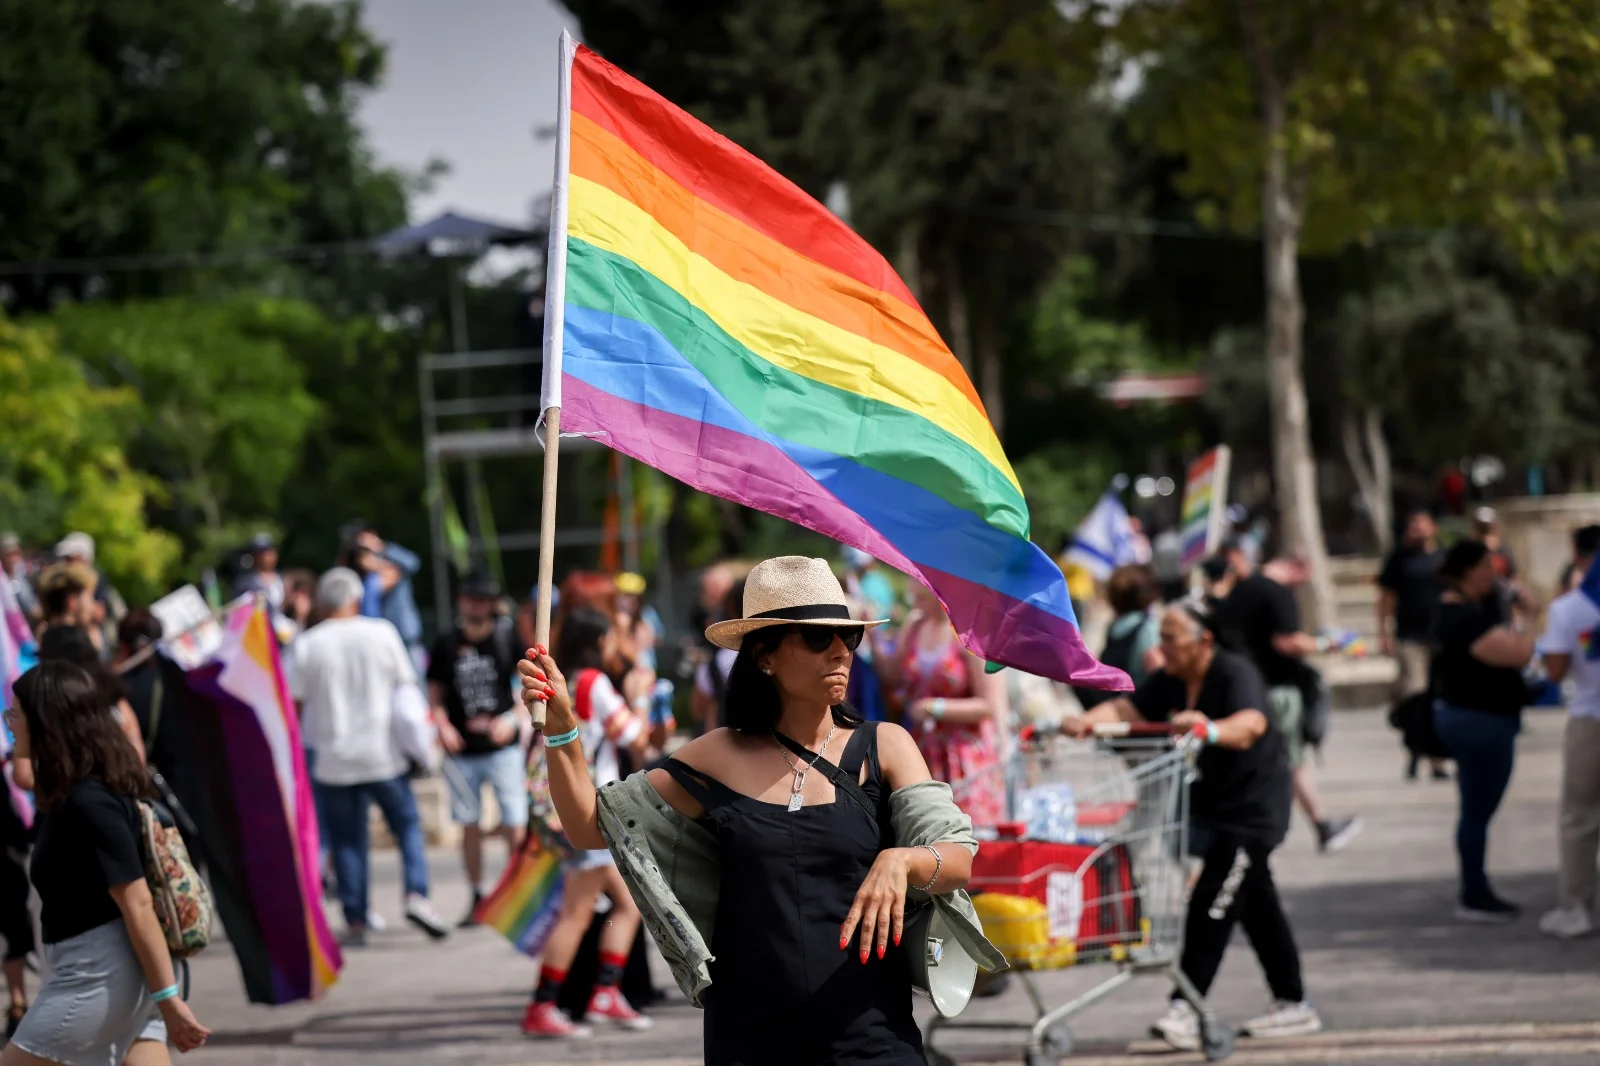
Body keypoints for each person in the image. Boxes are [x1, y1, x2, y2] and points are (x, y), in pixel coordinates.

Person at [519, 556, 1002, 1064]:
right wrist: (561, 729)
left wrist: (903, 861)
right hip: (747, 1043)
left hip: (872, 1039)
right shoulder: (716, 755)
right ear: (765, 655)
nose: (840, 651)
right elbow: (589, 826)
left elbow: (958, 857)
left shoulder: (886, 745)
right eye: (819, 638)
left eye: (850, 637)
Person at [1062, 601, 1317, 1050]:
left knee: (1211, 903)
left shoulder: (1233, 673)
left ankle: (1185, 1006)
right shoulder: (1173, 680)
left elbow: (1252, 723)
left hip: (1253, 811)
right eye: (1160, 637)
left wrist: (1209, 729)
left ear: (1204, 639)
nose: (1162, 649)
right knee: (1256, 904)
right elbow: (1128, 710)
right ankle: (1293, 1001)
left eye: (1170, 638)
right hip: (1213, 807)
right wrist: (1086, 722)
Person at [4, 662, 210, 1064]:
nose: (10, 725)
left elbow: (138, 904)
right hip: (116, 978)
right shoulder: (81, 793)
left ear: (46, 723)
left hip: (96, 979)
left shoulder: (88, 801)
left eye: (15, 715)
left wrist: (169, 1001)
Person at [290, 568, 449, 946]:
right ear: (357, 599)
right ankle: (416, 894)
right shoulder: (382, 633)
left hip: (332, 757)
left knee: (347, 840)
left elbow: (294, 704)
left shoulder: (308, 643)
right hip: (384, 755)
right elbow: (407, 692)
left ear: (323, 602)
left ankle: (356, 917)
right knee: (407, 824)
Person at [522, 607, 653, 1038]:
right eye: (612, 638)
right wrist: (640, 696)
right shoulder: (594, 682)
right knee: (577, 914)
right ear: (598, 643)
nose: (619, 646)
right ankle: (543, 1005)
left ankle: (605, 993)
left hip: (571, 809)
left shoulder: (565, 681)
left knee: (628, 903)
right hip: (588, 813)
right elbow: (634, 735)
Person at [1207, 542, 1362, 854]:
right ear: (1298, 567)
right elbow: (1286, 642)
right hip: (1277, 689)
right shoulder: (1277, 593)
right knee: (1291, 760)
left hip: (1247, 686)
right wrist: (1327, 646)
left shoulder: (1244, 588)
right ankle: (1319, 825)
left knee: (1273, 759)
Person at [1431, 539, 1535, 922]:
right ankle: (1474, 892)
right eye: (1486, 567)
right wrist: (1529, 619)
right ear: (1470, 570)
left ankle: (1475, 887)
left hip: (1479, 718)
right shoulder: (1463, 618)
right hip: (1478, 721)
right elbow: (1519, 653)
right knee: (1476, 811)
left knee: (1476, 810)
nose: (1494, 574)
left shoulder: (1471, 608)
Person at [426, 573, 529, 924]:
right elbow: (435, 693)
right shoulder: (446, 643)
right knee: (468, 822)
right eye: (470, 599)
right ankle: (476, 893)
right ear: (460, 601)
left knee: (514, 819)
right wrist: (441, 725)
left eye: (483, 600)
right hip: (462, 751)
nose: (476, 606)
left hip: (502, 747)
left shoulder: (507, 638)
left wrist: (513, 720)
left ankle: (518, 889)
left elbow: (525, 687)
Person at [1536, 524, 1600, 939]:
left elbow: (1555, 671)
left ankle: (1576, 907)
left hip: (1590, 718)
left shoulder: (1571, 609)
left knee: (1580, 817)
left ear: (1578, 557)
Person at [1377, 508, 1448, 780]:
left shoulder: (1444, 559)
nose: (1417, 530)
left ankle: (1437, 759)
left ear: (1433, 528)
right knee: (1415, 694)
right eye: (1412, 525)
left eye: (1422, 524)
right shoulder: (1399, 560)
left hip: (1441, 638)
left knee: (1438, 699)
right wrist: (1383, 632)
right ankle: (1415, 750)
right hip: (1410, 638)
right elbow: (1385, 597)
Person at [348, 530, 426, 674]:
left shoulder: (395, 563)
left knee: (415, 680)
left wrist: (382, 547)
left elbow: (414, 563)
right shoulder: (365, 579)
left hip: (405, 633)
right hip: (380, 638)